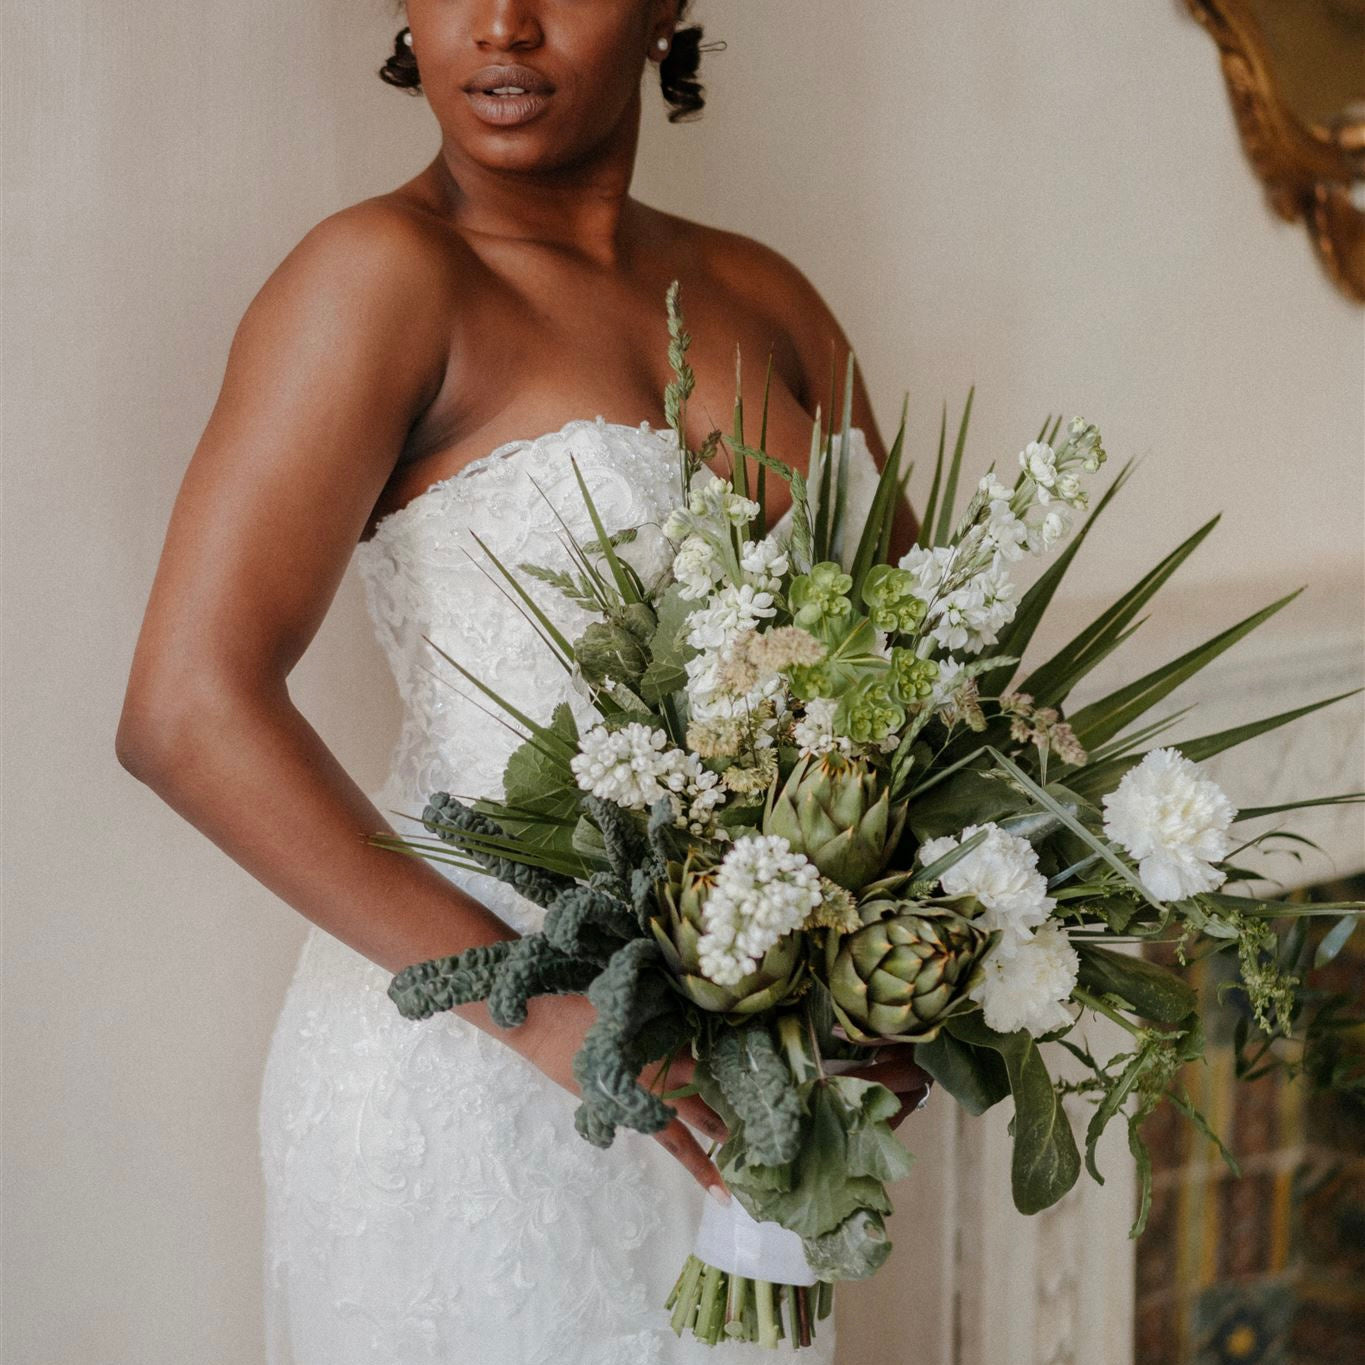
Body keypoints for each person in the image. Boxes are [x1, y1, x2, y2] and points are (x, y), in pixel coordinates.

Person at [116, 2, 927, 1360]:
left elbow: (911, 683)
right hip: (463, 1075)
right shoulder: (378, 274)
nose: (500, 23)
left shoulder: (766, 293)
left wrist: (896, 982)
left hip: (739, 1075)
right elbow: (186, 713)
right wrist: (539, 1011)